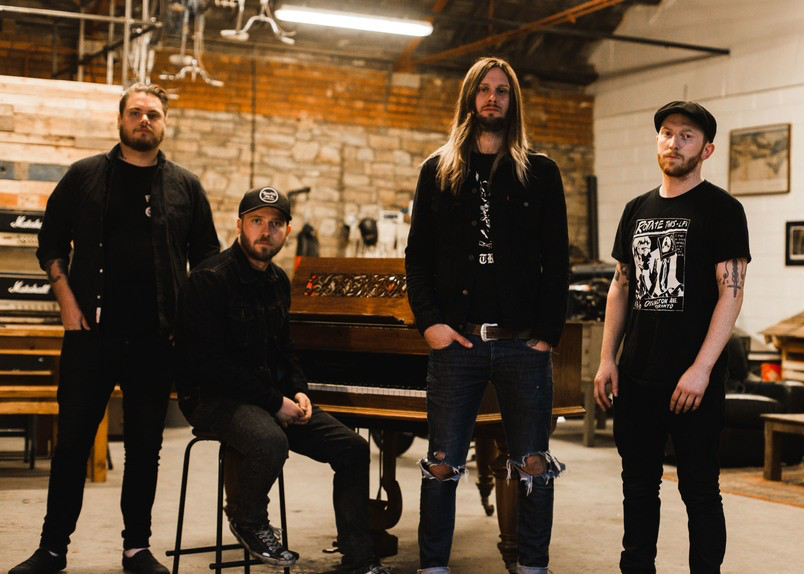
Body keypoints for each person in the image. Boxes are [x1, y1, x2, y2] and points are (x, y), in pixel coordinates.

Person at [10, 83, 219, 574]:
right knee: (71, 445)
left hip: (155, 341)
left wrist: (188, 323)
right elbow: (50, 243)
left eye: (154, 114)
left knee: (145, 449)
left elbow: (207, 260)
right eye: (136, 112)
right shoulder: (83, 175)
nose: (144, 120)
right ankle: (52, 549)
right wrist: (66, 300)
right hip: (90, 337)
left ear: (165, 124)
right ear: (120, 119)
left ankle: (136, 549)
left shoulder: (186, 186)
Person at [404, 56, 569, 574]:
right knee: (441, 466)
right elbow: (417, 257)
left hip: (523, 345)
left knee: (534, 465)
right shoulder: (437, 171)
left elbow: (557, 260)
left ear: (512, 101)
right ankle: (433, 567)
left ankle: (533, 566)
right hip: (458, 343)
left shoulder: (540, 172)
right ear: (469, 98)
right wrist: (430, 323)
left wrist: (546, 334)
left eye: (501, 90)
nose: (492, 97)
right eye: (483, 88)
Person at [174, 187, 392, 574]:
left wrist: (299, 391)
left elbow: (284, 350)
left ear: (287, 232)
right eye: (256, 221)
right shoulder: (209, 279)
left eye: (275, 224)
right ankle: (249, 520)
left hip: (264, 397)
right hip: (210, 398)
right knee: (270, 440)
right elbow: (209, 366)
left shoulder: (277, 280)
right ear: (239, 225)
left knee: (353, 449)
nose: (266, 231)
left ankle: (359, 560)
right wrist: (275, 403)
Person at [594, 101, 750, 574]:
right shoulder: (635, 210)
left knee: (699, 489)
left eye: (686, 135)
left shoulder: (723, 210)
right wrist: (607, 358)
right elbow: (621, 286)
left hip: (693, 381)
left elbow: (731, 293)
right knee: (638, 486)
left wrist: (701, 369)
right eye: (666, 132)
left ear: (707, 149)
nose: (674, 142)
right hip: (637, 375)